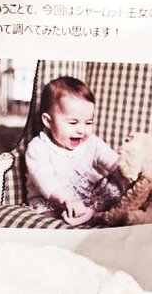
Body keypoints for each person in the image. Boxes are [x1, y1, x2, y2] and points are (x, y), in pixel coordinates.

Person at [23, 76, 122, 226]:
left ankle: (94, 213)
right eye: (73, 122)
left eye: (88, 122)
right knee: (47, 212)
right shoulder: (38, 148)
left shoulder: (91, 142)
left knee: (114, 191)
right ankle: (87, 216)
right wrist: (67, 199)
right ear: (48, 121)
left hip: (88, 196)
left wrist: (126, 172)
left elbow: (113, 161)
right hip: (54, 199)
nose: (81, 130)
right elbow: (44, 177)